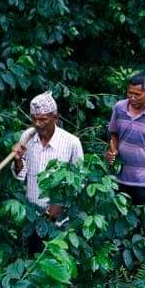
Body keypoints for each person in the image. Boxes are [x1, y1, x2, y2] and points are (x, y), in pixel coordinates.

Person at [12, 91, 84, 232]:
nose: (38, 124)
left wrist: (59, 205)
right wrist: (18, 160)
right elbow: (20, 175)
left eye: (43, 119)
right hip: (31, 214)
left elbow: (79, 180)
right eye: (34, 119)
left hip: (61, 220)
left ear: (55, 117)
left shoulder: (72, 143)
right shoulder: (27, 136)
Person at [106, 73, 145, 210]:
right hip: (121, 175)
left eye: (137, 94)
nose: (132, 98)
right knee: (121, 214)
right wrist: (113, 149)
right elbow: (114, 133)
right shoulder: (119, 108)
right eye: (130, 93)